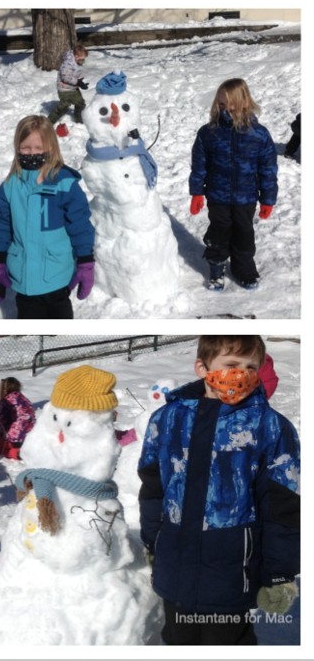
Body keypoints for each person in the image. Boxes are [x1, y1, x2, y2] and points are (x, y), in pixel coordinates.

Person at [139, 336, 300, 645]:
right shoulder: (168, 419)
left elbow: (283, 506)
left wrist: (280, 574)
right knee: (178, 639)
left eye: (250, 367)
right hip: (174, 561)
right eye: (231, 365)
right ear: (202, 367)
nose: (241, 374)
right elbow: (152, 484)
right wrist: (152, 540)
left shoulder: (269, 426)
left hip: (231, 569)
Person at [0, 114, 95, 319]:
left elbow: (79, 224)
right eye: (26, 148)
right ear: (17, 147)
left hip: (56, 273)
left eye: (39, 148)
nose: (32, 153)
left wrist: (85, 261)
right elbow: (1, 225)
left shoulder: (64, 184)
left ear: (51, 147)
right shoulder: (10, 186)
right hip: (23, 276)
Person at [189, 78, 278, 291]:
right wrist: (196, 192)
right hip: (217, 195)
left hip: (246, 197)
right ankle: (216, 268)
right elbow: (199, 164)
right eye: (221, 104)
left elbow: (268, 169)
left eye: (232, 104)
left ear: (245, 102)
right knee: (219, 232)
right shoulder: (209, 132)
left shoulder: (259, 134)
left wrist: (268, 198)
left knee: (244, 233)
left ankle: (244, 269)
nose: (226, 109)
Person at [48, 45, 89, 134]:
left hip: (72, 88)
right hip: (65, 89)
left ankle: (79, 120)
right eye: (82, 59)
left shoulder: (76, 62)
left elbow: (73, 74)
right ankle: (48, 123)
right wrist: (78, 82)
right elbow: (65, 77)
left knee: (80, 103)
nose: (83, 61)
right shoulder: (68, 63)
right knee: (63, 107)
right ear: (76, 57)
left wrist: (80, 82)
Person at [0, 378, 35, 460]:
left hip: (16, 438)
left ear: (4, 390)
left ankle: (16, 453)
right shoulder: (24, 399)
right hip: (30, 436)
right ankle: (24, 449)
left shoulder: (5, 401)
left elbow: (1, 421)